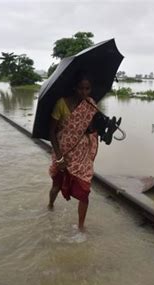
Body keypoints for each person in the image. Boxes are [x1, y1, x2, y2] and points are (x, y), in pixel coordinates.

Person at [48, 72, 99, 232]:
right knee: (56, 185)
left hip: (81, 154)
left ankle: (81, 226)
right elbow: (52, 132)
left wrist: (102, 126)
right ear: (75, 88)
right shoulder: (61, 104)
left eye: (87, 89)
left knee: (84, 190)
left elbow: (89, 129)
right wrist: (59, 157)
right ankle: (50, 204)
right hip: (64, 151)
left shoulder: (91, 104)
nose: (84, 92)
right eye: (81, 88)